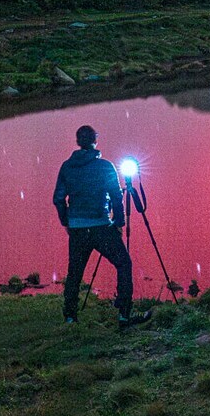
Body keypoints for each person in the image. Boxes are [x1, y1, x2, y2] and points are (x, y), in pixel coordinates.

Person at [53, 125, 149, 327]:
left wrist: (67, 222)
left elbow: (58, 199)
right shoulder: (105, 166)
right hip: (101, 227)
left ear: (78, 142)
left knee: (75, 273)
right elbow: (116, 196)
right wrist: (119, 223)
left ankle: (70, 317)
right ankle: (124, 314)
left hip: (78, 228)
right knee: (123, 263)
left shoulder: (67, 167)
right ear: (95, 141)